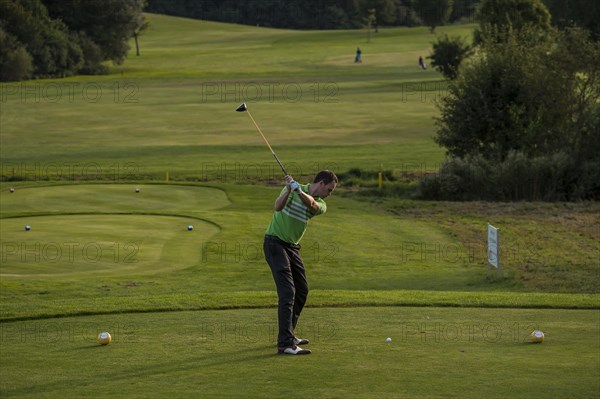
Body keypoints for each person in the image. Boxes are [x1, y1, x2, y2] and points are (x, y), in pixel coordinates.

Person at [263, 170, 338, 355]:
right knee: (288, 292)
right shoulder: (292, 189)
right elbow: (277, 207)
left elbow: (311, 205)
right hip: (275, 243)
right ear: (321, 183)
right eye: (329, 189)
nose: (329, 194)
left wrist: (297, 191)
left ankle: (289, 332)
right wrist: (289, 190)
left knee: (302, 290)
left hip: (292, 247)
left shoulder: (321, 203)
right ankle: (285, 343)